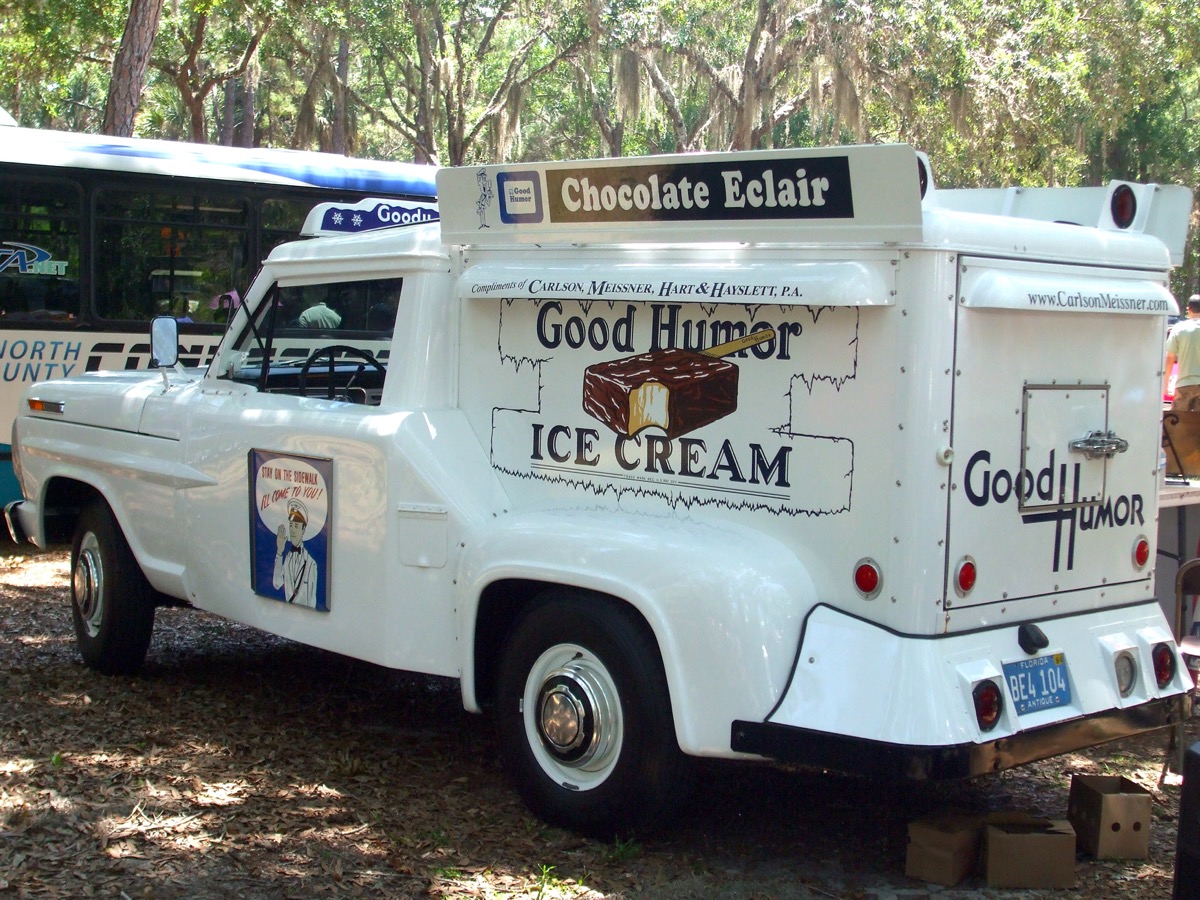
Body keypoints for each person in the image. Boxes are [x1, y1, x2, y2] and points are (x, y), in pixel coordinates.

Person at [273, 499, 319, 607]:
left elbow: (312, 602)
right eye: (291, 525)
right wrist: (279, 552)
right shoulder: (287, 559)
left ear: (303, 530)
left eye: (296, 526)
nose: (292, 530)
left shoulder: (311, 564)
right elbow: (276, 583)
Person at [1166, 295, 1200, 410]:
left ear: (1188, 309)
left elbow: (1170, 358)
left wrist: (1165, 385)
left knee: (1177, 423)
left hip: (1184, 384)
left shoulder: (1178, 328)